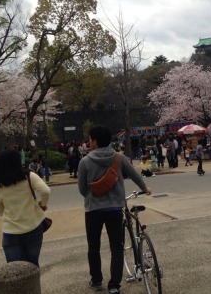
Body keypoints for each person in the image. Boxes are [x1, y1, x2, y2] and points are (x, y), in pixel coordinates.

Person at [78, 125, 151, 294]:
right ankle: (114, 286)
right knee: (116, 248)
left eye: (90, 139)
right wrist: (145, 188)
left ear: (95, 141)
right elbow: (134, 175)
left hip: (93, 210)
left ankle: (96, 281)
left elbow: (82, 189)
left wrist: (93, 197)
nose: (89, 142)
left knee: (93, 247)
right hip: (115, 209)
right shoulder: (119, 158)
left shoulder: (85, 161)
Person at [0, 149, 50, 266]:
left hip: (10, 231)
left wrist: (10, 216)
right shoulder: (29, 176)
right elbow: (46, 191)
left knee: (15, 269)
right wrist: (42, 204)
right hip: (33, 227)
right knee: (33, 265)